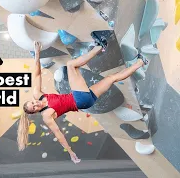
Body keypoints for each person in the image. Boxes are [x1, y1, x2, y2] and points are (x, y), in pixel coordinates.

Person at [17, 41, 148, 164]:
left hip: (86, 101)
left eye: (33, 103)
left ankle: (141, 62)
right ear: (35, 112)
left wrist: (37, 53)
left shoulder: (38, 95)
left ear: (32, 100)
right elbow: (58, 133)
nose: (36, 105)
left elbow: (37, 75)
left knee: (111, 78)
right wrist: (70, 152)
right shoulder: (46, 115)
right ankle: (99, 46)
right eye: (34, 108)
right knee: (71, 65)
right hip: (80, 100)